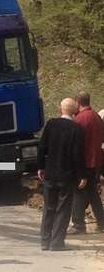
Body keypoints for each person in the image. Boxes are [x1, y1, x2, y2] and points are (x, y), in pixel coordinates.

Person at [38, 97, 87, 251]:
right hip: (67, 175)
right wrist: (82, 175)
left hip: (50, 173)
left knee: (49, 207)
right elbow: (78, 154)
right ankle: (57, 242)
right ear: (75, 111)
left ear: (61, 109)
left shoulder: (51, 124)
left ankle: (44, 241)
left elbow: (42, 147)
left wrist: (40, 167)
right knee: (63, 209)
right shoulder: (76, 129)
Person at [70, 91, 104, 234]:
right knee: (92, 193)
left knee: (79, 192)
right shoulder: (97, 116)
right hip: (97, 160)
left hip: (86, 161)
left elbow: (77, 143)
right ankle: (102, 223)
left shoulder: (80, 119)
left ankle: (78, 225)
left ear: (78, 103)